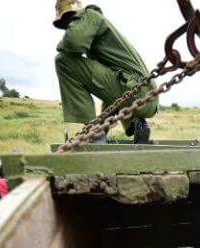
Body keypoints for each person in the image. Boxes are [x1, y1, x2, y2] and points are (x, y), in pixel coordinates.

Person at [53, 0, 157, 144]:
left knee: (63, 61)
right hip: (146, 97)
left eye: (68, 23)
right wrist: (102, 125)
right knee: (109, 98)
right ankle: (138, 124)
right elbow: (110, 95)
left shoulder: (89, 15)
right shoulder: (101, 30)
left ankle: (92, 129)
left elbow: (74, 42)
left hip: (134, 89)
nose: (68, 28)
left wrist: (61, 45)